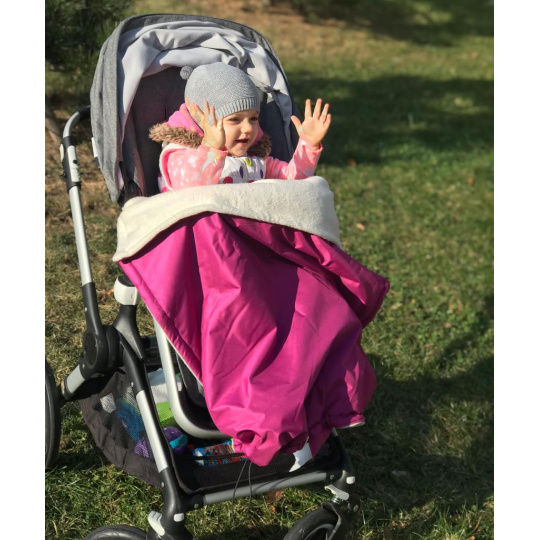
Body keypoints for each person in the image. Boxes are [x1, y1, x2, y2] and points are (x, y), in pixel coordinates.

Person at [149, 63, 331, 191]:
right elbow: (191, 189)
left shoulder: (256, 161)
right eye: (235, 120)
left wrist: (309, 145)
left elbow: (293, 182)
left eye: (253, 119)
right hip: (205, 231)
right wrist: (211, 149)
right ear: (201, 120)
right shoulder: (181, 155)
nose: (248, 128)